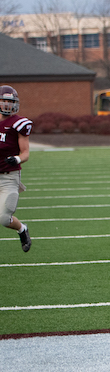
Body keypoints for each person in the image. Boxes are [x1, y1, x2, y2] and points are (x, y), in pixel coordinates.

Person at [0, 85, 32, 253]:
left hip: (9, 177)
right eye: (4, 100)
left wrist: (17, 159)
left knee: (4, 219)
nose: (7, 104)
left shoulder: (18, 123)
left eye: (10, 101)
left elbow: (25, 153)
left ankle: (22, 230)